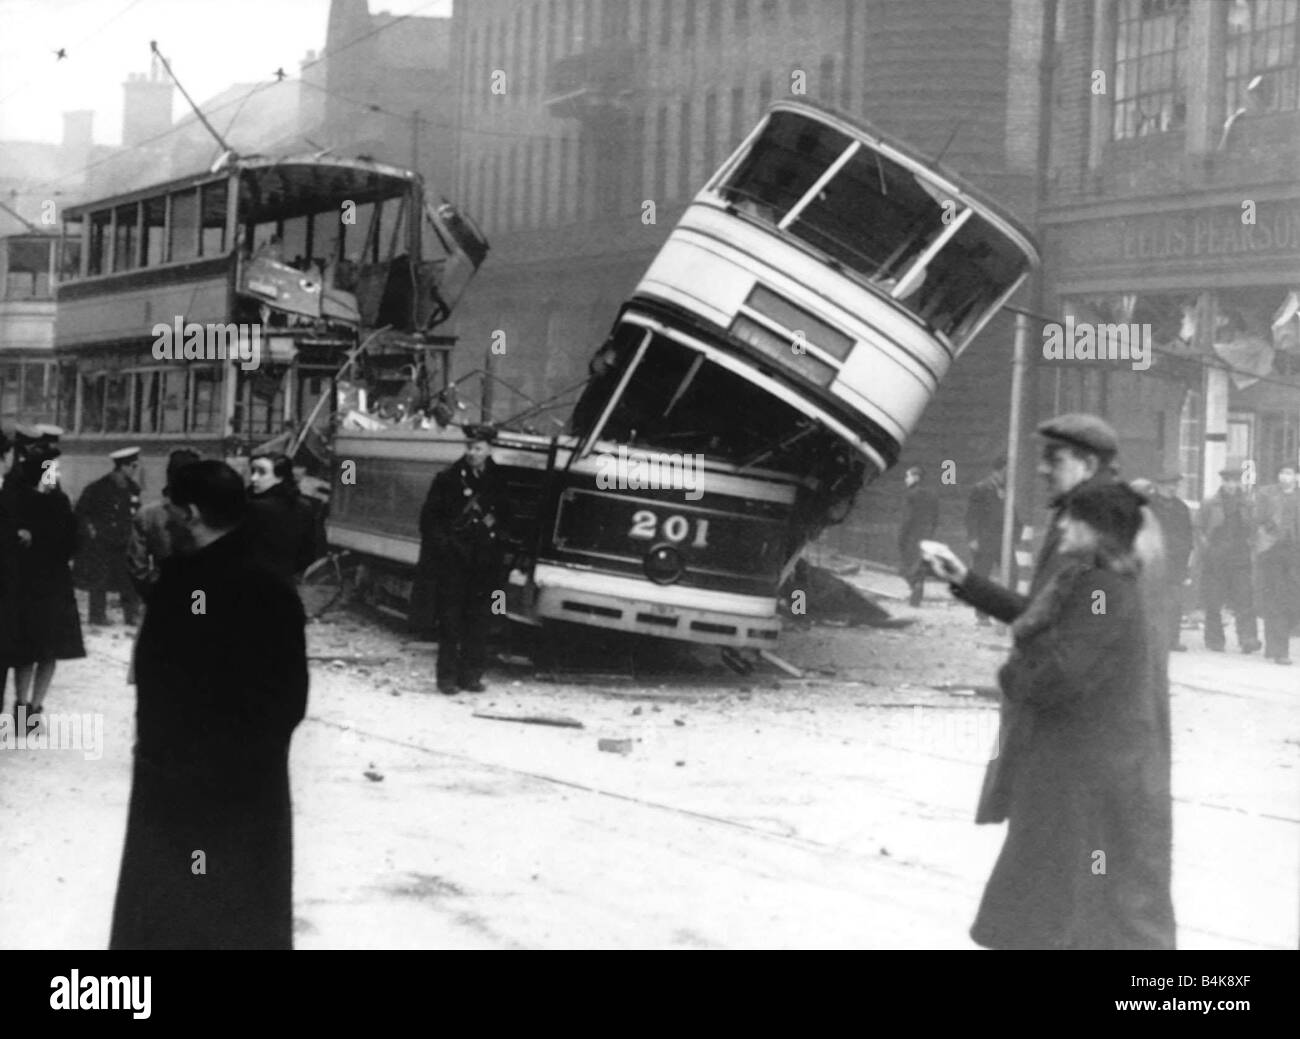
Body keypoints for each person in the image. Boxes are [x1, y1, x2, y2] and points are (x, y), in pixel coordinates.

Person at [925, 414, 1168, 827]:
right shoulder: (1109, 517)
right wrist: (966, 581)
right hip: (1091, 747)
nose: (1041, 469)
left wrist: (1015, 679)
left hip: (1078, 749)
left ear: (1087, 465)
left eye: (1053, 459)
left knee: (1062, 872)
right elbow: (1046, 612)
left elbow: (1067, 646)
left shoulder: (1095, 532)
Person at [959, 481, 1174, 949]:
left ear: (1098, 529)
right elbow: (1037, 618)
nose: (1064, 525)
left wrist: (1012, 676)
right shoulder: (1090, 578)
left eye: (1074, 518)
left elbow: (1066, 670)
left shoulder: (1102, 588)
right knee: (1056, 900)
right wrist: (965, 580)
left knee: (1063, 903)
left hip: (1079, 776)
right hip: (1073, 771)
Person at [110, 461, 308, 950]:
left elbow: (280, 702)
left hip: (209, 791)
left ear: (193, 513)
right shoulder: (256, 583)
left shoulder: (218, 586)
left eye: (173, 507)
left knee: (193, 907)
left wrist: (200, 759)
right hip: (217, 789)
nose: (167, 517)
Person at [0, 434, 85, 730]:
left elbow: (74, 540)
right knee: (28, 650)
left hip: (54, 585)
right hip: (28, 585)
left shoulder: (60, 501)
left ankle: (35, 708)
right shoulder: (18, 499)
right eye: (52, 469)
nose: (56, 474)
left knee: (49, 650)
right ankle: (22, 707)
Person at [417, 424, 510, 695]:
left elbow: (507, 516)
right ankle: (446, 679)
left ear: (490, 449)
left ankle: (471, 676)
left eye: (478, 448)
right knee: (450, 622)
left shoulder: (499, 479)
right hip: (454, 563)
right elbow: (429, 520)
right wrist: (447, 547)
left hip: (485, 563)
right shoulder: (448, 479)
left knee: (480, 621)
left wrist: (498, 542)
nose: (472, 453)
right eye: (469, 447)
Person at [74, 446, 143, 625]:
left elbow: (133, 513)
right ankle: (97, 616)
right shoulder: (99, 488)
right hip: (103, 541)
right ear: (123, 466)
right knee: (100, 579)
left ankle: (131, 615)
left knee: (129, 579)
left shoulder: (133, 488)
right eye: (133, 466)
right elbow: (82, 512)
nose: (135, 470)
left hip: (124, 540)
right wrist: (91, 531)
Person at [1197, 467, 1261, 654]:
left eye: (1234, 481)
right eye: (1227, 481)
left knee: (1244, 599)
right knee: (1214, 600)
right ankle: (1214, 639)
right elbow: (1199, 528)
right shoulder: (1210, 503)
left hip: (1240, 556)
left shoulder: (1248, 503)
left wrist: (1253, 545)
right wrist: (1207, 549)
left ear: (1239, 482)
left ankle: (1248, 638)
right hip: (1216, 557)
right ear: (1222, 482)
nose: (1231, 485)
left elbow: (1255, 527)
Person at [964, 455, 1022, 625]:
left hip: (1003, 542)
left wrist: (1017, 533)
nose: (1010, 473)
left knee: (1013, 574)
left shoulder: (1009, 490)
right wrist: (973, 538)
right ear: (999, 470)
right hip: (984, 540)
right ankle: (982, 615)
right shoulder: (981, 488)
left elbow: (1014, 515)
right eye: (1007, 469)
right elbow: (971, 516)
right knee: (982, 578)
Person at [244, 452, 318, 582]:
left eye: (261, 472)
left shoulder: (253, 507)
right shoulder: (305, 505)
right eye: (253, 471)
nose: (253, 478)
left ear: (280, 477)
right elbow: (311, 551)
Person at [1255, 463, 1300, 665]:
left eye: (1289, 473)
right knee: (1276, 598)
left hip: (1294, 553)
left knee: (1288, 599)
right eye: (1282, 472)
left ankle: (1274, 646)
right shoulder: (1266, 494)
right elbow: (1257, 519)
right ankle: (1279, 650)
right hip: (1272, 550)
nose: (1285, 477)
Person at [1146, 470, 1194, 651]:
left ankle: (1173, 639)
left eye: (1175, 485)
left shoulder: (1181, 508)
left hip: (1176, 561)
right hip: (1154, 560)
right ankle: (1154, 639)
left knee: (1174, 603)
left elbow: (1188, 534)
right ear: (1158, 486)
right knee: (1154, 601)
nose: (1172, 488)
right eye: (1168, 485)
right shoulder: (1148, 506)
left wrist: (1186, 555)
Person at [896, 464, 939, 607]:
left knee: (904, 567)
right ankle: (917, 588)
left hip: (911, 535)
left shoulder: (910, 495)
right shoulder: (932, 495)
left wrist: (901, 536)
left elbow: (907, 518)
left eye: (907, 476)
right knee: (919, 565)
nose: (905, 480)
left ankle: (915, 586)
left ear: (916, 478)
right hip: (926, 535)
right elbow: (935, 518)